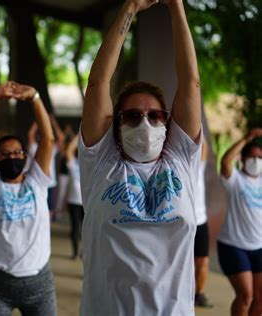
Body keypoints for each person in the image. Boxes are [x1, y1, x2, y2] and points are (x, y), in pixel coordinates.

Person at [79, 0, 202, 314]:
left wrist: (176, 6)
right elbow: (97, 84)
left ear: (167, 122)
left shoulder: (180, 159)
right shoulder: (101, 161)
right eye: (132, 115)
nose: (144, 122)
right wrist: (130, 7)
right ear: (117, 124)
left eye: (155, 115)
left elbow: (191, 81)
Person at [0, 81, 57, 315]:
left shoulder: (37, 181)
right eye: (5, 154)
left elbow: (47, 139)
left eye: (18, 152)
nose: (12, 157)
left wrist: (35, 98)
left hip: (39, 284)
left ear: (25, 156)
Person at [217, 128, 262, 316]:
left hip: (258, 245)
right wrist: (246, 138)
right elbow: (226, 161)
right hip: (233, 245)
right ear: (242, 160)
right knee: (245, 295)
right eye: (252, 157)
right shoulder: (235, 180)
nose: (256, 161)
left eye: (260, 157)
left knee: (260, 298)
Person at [194, 139, 213, 308]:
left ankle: (199, 293)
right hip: (179, 224)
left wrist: (198, 124)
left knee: (202, 261)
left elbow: (204, 147)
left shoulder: (198, 167)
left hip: (200, 221)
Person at [65, 134, 84, 260]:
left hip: (86, 202)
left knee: (87, 229)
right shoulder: (74, 164)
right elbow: (69, 151)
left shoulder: (89, 166)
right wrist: (78, 135)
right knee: (75, 228)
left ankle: (84, 252)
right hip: (73, 201)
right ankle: (76, 252)